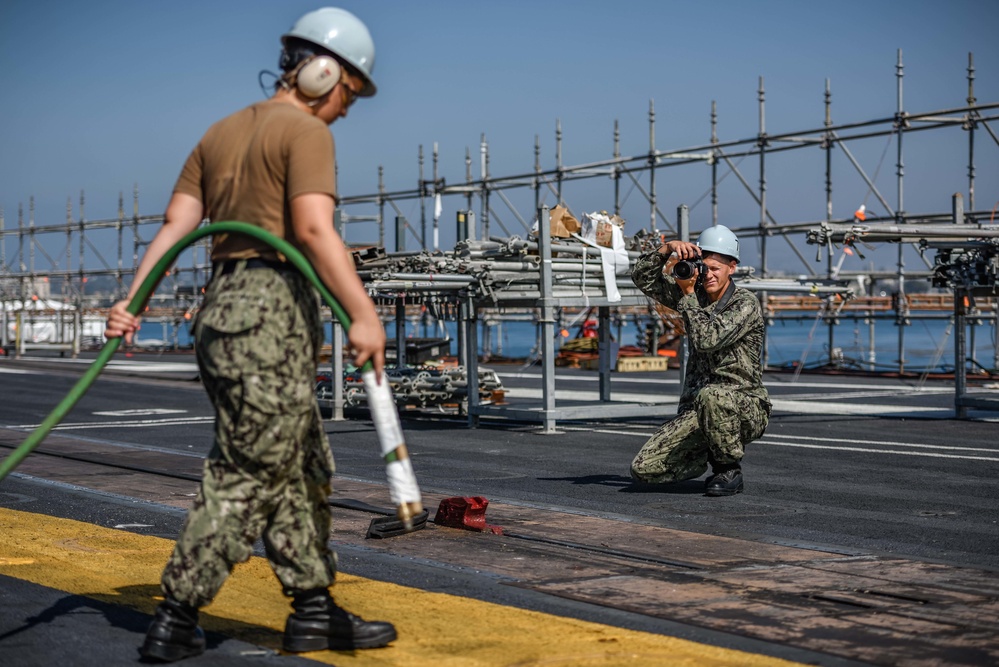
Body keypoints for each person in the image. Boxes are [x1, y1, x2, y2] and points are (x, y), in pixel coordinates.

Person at [105, 7, 394, 662]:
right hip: (270, 308)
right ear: (324, 72)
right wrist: (362, 313)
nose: (347, 108)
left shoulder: (218, 132)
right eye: (349, 91)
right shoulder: (305, 133)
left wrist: (131, 299)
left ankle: (314, 609)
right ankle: (177, 612)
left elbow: (175, 226)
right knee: (250, 468)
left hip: (225, 308)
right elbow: (315, 230)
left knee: (299, 461)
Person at [629, 225, 771, 497]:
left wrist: (688, 296)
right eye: (704, 268)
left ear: (733, 267)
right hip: (700, 409)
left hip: (744, 406)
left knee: (711, 395)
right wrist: (666, 249)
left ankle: (728, 469)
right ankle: (702, 451)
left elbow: (708, 339)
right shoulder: (695, 292)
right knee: (643, 469)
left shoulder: (745, 304)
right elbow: (642, 278)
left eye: (716, 268)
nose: (709, 275)